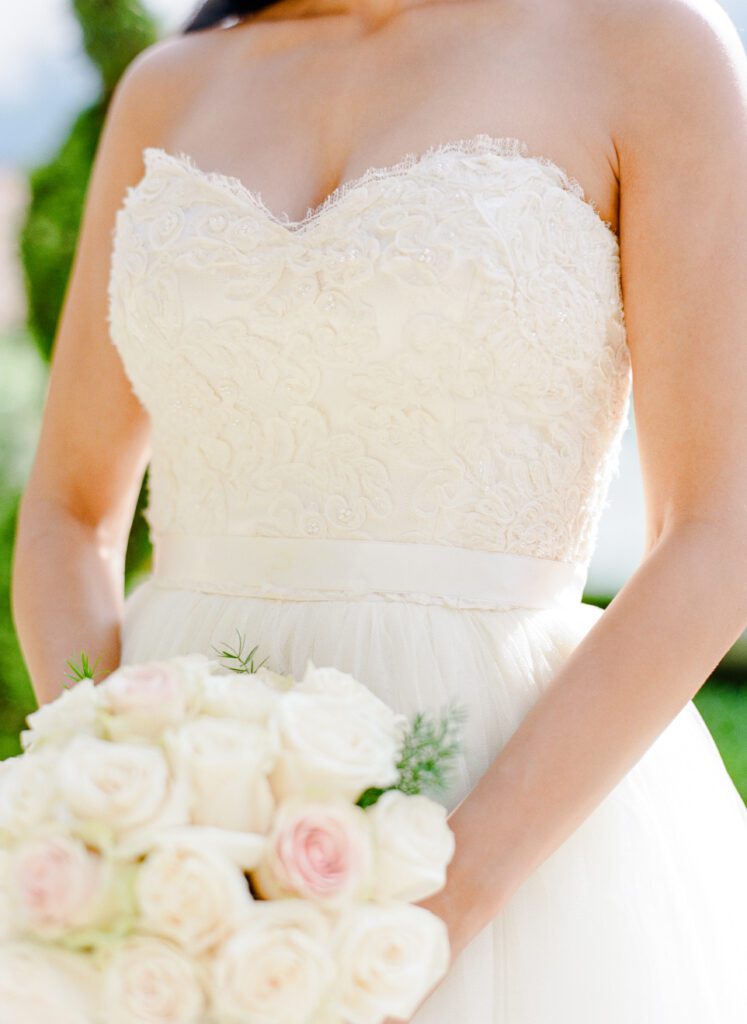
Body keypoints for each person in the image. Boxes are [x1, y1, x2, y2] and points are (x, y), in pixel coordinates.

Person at [11, 0, 747, 1020]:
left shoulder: (649, 47)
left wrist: (428, 914)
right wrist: (128, 802)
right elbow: (67, 509)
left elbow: (718, 536)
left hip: (507, 810)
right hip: (187, 860)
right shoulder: (172, 87)